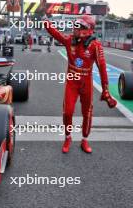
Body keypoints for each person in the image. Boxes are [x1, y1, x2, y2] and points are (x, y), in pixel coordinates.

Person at [43, 11, 117, 154]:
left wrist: (105, 89)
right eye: (75, 26)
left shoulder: (96, 46)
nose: (74, 29)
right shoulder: (69, 40)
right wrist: (45, 18)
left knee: (87, 113)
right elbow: (54, 32)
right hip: (72, 82)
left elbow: (102, 68)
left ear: (86, 29)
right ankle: (68, 137)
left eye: (78, 26)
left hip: (86, 83)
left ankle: (84, 140)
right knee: (68, 112)